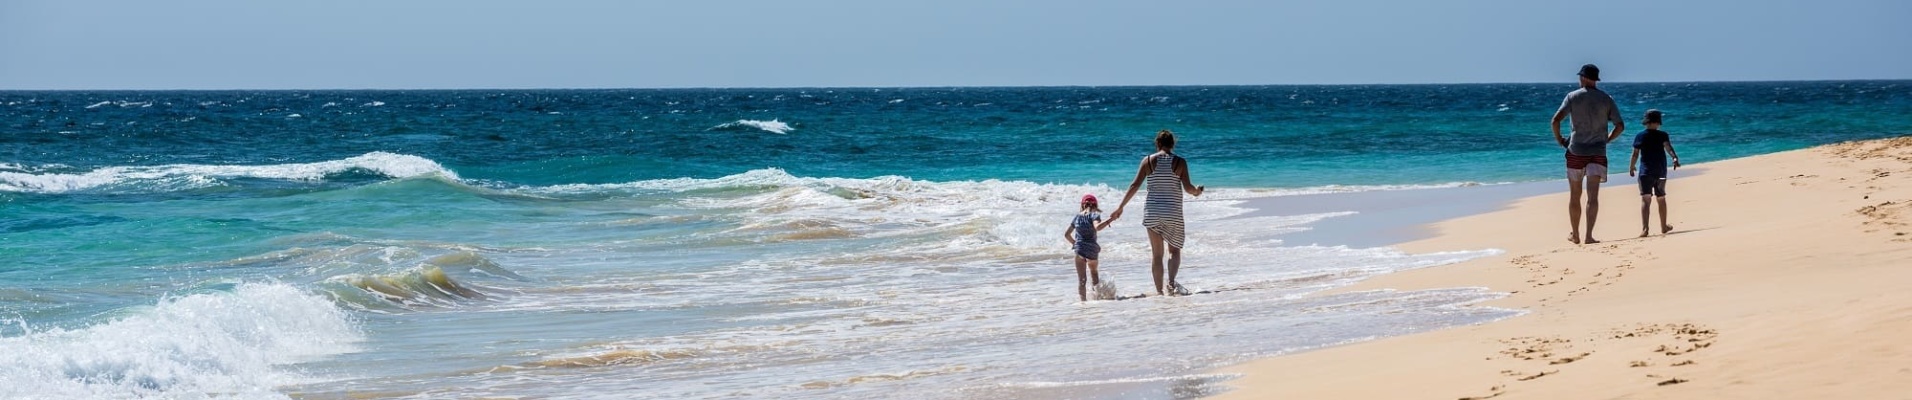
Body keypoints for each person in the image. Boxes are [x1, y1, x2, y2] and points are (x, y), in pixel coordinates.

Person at [1111, 130, 1205, 296]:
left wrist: (1120, 207)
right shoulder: (1180, 162)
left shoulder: (1147, 161)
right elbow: (1189, 188)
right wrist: (1197, 192)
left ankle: (1159, 293)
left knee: (1156, 255)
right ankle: (1170, 283)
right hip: (1172, 213)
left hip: (1152, 212)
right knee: (1174, 251)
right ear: (1173, 144)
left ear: (1157, 143)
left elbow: (1134, 186)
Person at [1550, 64, 1626, 244]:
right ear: (1595, 79)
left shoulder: (1572, 97)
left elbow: (1555, 120)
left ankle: (1575, 234)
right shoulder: (1606, 99)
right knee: (1593, 197)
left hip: (1576, 151)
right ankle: (1589, 236)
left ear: (1583, 78)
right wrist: (1607, 139)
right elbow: (1620, 126)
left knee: (1575, 195)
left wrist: (1560, 139)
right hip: (1598, 152)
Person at [1627, 109, 1682, 237]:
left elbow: (1635, 154)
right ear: (1658, 122)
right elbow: (1669, 148)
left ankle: (1645, 229)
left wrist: (1631, 167)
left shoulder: (1640, 136)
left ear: (1646, 122)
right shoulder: (1663, 135)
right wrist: (1674, 158)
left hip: (1645, 172)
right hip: (1660, 171)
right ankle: (1663, 226)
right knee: (1661, 198)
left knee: (1646, 199)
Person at [1063, 194, 1119, 301]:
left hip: (1079, 250)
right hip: (1092, 250)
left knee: (1082, 280)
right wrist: (1110, 220)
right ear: (1095, 205)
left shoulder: (1077, 217)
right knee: (1094, 274)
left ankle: (1083, 302)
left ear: (1082, 205)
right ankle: (1097, 299)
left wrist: (1075, 244)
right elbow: (1097, 227)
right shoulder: (1094, 215)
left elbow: (1066, 234)